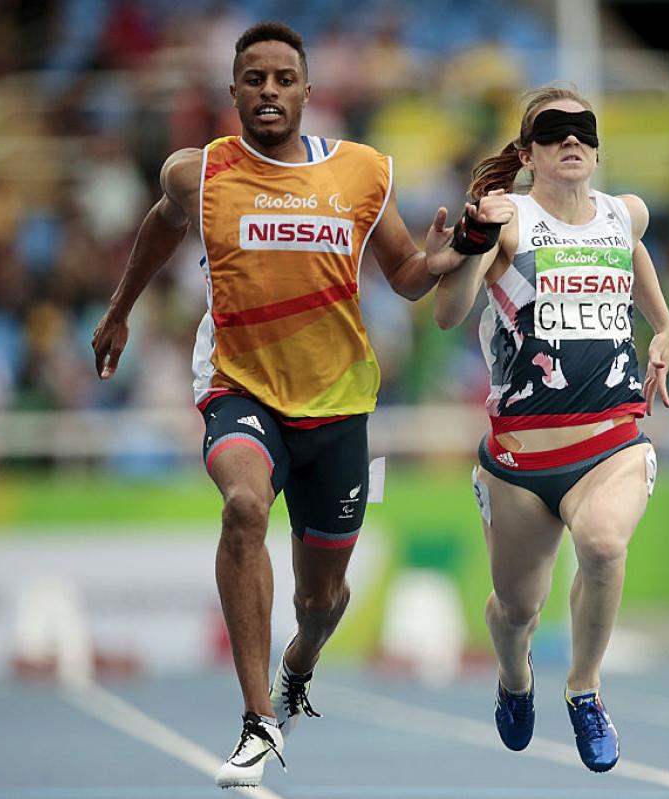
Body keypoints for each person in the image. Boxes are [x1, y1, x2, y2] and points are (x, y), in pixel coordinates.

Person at [90, 22, 457, 788]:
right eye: (253, 78)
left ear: (307, 93)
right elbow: (161, 227)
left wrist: (449, 255)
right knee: (245, 509)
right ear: (233, 92)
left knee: (320, 598)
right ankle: (258, 720)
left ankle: (301, 659)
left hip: (338, 404)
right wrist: (121, 308)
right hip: (239, 385)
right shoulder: (199, 173)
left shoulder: (359, 174)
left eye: (283, 79)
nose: (268, 91)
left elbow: (409, 276)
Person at [430, 86, 669, 773]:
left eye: (583, 130)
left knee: (602, 544)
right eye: (554, 130)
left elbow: (634, 256)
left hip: (612, 440)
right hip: (520, 459)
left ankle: (585, 688)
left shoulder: (623, 214)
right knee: (516, 610)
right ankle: (515, 678)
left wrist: (665, 325)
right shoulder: (510, 221)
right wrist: (473, 241)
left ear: (595, 148)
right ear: (529, 152)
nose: (572, 140)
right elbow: (449, 314)